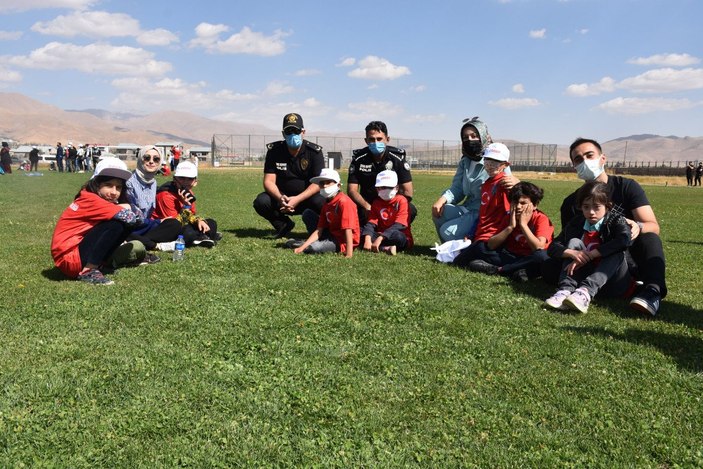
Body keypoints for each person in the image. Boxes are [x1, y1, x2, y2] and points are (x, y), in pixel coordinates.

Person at [548, 137, 666, 316]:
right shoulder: (571, 203)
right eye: (578, 159)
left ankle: (652, 291)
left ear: (603, 158)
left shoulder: (626, 187)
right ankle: (576, 289)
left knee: (650, 238)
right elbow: (568, 241)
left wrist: (638, 226)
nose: (585, 162)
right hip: (588, 261)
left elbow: (653, 226)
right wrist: (572, 253)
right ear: (574, 166)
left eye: (589, 155)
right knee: (548, 266)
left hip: (623, 260)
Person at [50, 158, 146, 285]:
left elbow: (139, 220)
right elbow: (132, 217)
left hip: (73, 256)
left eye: (118, 187)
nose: (114, 192)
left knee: (123, 223)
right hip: (70, 259)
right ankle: (88, 270)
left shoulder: (91, 197)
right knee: (117, 223)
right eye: (108, 185)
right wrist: (128, 207)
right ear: (96, 183)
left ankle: (100, 265)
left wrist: (127, 208)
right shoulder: (91, 199)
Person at [544, 181, 634, 313]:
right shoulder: (577, 222)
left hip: (614, 283)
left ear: (608, 206)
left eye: (597, 207)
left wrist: (592, 254)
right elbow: (553, 247)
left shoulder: (616, 220)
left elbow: (624, 241)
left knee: (617, 252)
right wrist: (571, 253)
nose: (591, 212)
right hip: (585, 274)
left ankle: (585, 293)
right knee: (574, 242)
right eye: (586, 207)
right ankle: (565, 291)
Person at [432, 117, 516, 242]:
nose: (470, 140)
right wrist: (442, 199)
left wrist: (517, 183)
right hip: (468, 207)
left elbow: (509, 182)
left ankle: (467, 246)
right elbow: (458, 188)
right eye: (466, 138)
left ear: (482, 136)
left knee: (447, 231)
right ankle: (450, 251)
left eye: (474, 136)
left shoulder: (493, 162)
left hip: (484, 214)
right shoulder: (465, 161)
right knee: (439, 213)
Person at [457, 181, 554, 282]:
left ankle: (499, 270)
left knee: (541, 257)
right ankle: (516, 271)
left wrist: (523, 224)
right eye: (515, 202)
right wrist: (510, 227)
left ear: (534, 205)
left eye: (523, 203)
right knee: (481, 246)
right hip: (510, 256)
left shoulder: (541, 219)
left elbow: (539, 247)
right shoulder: (509, 217)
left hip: (529, 258)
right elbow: (491, 245)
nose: (518, 207)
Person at [253, 113, 325, 238]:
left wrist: (297, 199)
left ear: (303, 132)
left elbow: (318, 183)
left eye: (296, 131)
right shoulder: (274, 151)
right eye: (289, 131)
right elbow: (268, 181)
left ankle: (317, 230)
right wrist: (281, 198)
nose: (292, 135)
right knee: (261, 201)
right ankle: (283, 225)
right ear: (283, 133)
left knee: (322, 201)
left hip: (306, 199)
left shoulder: (314, 152)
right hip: (282, 200)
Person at [453, 143, 513, 267]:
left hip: (493, 237)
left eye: (495, 163)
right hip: (482, 235)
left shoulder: (505, 185)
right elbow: (483, 213)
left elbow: (508, 215)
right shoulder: (486, 184)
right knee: (460, 259)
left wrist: (497, 238)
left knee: (469, 255)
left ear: (505, 165)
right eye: (487, 162)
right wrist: (471, 234)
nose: (490, 166)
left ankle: (509, 265)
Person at [347, 121, 415, 227]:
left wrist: (393, 206)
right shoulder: (359, 159)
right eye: (371, 139)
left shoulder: (398, 158)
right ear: (366, 141)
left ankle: (393, 230)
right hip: (367, 205)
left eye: (379, 139)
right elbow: (352, 190)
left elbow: (408, 192)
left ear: (387, 139)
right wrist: (367, 206)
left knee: (410, 209)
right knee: (348, 207)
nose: (375, 142)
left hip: (391, 203)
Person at [125, 145, 181, 256]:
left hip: (145, 226)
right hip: (130, 226)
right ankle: (150, 244)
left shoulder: (153, 182)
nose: (151, 162)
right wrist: (157, 222)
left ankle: (139, 242)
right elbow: (131, 218)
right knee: (122, 231)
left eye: (156, 159)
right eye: (147, 158)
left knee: (174, 224)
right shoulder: (129, 182)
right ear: (140, 159)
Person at [292, 168, 360, 258]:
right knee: (307, 214)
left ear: (338, 185)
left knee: (314, 248)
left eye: (328, 182)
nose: (324, 186)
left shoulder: (344, 202)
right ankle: (305, 244)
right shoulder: (327, 203)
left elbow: (348, 230)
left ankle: (307, 244)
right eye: (321, 183)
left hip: (342, 241)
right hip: (331, 234)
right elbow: (319, 230)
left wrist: (349, 254)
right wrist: (302, 248)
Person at [153, 160, 221, 247]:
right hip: (165, 228)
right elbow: (174, 224)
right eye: (181, 178)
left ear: (195, 182)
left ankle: (201, 236)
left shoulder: (188, 193)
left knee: (211, 223)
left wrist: (199, 221)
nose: (185, 182)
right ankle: (202, 236)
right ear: (174, 179)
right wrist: (185, 205)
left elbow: (191, 215)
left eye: (190, 179)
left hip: (180, 225)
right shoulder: (165, 195)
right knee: (188, 232)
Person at [361, 170, 413, 255]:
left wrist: (381, 238)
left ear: (396, 188)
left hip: (397, 235)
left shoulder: (402, 201)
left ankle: (378, 246)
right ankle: (383, 248)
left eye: (387, 187)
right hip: (380, 234)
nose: (382, 190)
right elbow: (371, 223)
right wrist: (367, 238)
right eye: (380, 187)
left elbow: (400, 225)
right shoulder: (376, 202)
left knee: (398, 236)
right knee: (359, 231)